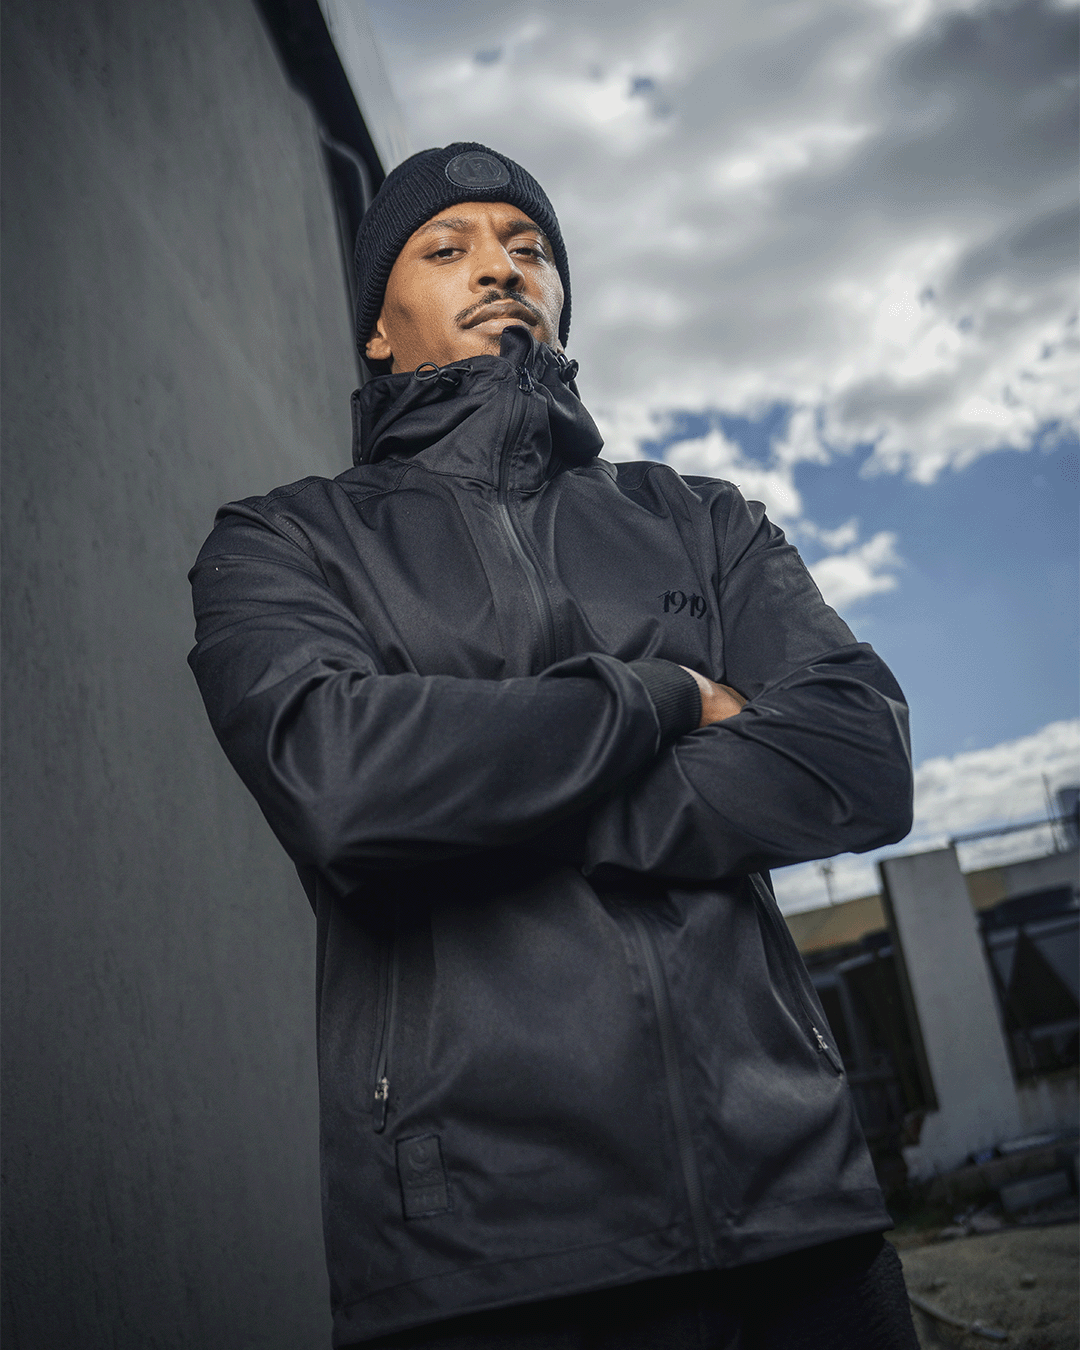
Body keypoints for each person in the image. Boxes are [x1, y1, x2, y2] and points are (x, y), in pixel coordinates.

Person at [188, 142, 919, 1349]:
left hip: (798, 1221)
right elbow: (343, 779)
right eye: (448, 248)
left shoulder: (702, 520)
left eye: (529, 248)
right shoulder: (285, 543)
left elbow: (859, 755)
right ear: (377, 328)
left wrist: (503, 808)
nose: (501, 268)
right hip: (487, 1257)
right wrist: (662, 698)